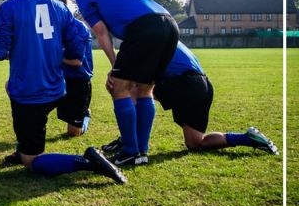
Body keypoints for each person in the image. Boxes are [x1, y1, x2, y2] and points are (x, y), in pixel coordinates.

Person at [0, 0, 126, 185]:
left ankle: (88, 162)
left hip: (29, 93)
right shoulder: (59, 8)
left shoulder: (9, 7)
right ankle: (24, 144)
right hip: (57, 88)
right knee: (17, 96)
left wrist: (14, 47)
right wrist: (67, 56)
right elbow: (81, 35)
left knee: (32, 162)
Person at [71, 0, 179, 166]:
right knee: (145, 89)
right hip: (170, 24)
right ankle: (141, 152)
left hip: (144, 27)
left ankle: (130, 151)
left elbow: (101, 32)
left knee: (119, 87)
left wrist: (115, 65)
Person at [101, 42, 279, 155]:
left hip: (184, 83)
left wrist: (115, 77)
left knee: (125, 89)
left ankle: (129, 141)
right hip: (203, 85)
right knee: (196, 143)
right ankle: (247, 138)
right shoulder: (168, 36)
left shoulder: (147, 40)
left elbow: (136, 77)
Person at [50, 0, 93, 138]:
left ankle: (85, 116)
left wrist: (53, 57)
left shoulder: (77, 28)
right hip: (59, 79)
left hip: (78, 81)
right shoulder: (51, 28)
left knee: (73, 133)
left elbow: (76, 62)